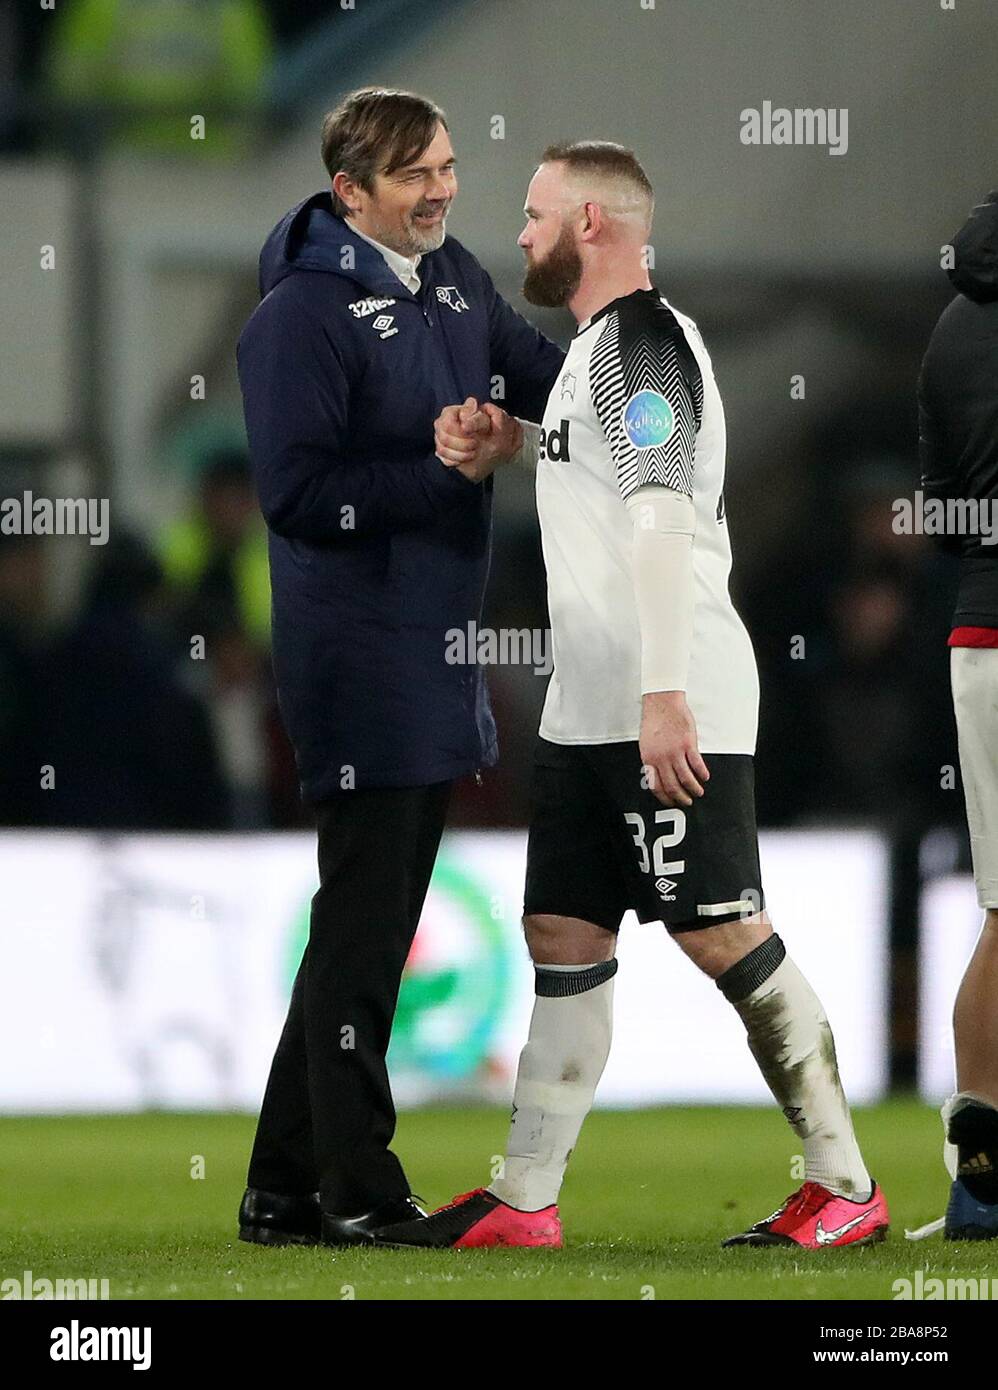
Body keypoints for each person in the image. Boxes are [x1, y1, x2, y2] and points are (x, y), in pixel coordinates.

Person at [378, 141, 888, 1251]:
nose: (518, 234)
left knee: (718, 930)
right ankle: (523, 1196)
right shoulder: (587, 355)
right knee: (560, 931)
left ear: (593, 225)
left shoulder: (643, 345)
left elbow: (659, 520)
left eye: (534, 214)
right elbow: (606, 482)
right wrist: (510, 442)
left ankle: (843, 1182)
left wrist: (665, 697)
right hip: (586, 704)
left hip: (670, 686)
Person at [235, 87, 563, 1246]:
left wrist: (633, 375)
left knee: (358, 928)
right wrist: (444, 476)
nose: (441, 189)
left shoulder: (458, 279)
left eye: (445, 166)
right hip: (357, 657)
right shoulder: (297, 320)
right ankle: (359, 1191)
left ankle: (283, 1186)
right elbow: (296, 496)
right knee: (369, 936)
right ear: (349, 193)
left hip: (428, 654)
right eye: (415, 175)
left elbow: (546, 380)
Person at [918, 190, 998, 1240]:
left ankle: (980, 1182)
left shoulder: (949, 322)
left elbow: (940, 512)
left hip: (981, 632)